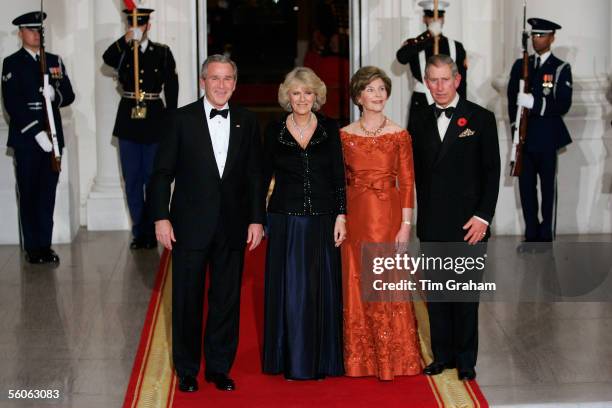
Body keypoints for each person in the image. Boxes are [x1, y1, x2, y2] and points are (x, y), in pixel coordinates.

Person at [147, 55, 265, 393]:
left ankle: (218, 367)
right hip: (188, 225)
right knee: (187, 299)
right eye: (215, 78)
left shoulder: (246, 120)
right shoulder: (181, 119)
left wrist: (257, 219)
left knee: (226, 300)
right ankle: (186, 369)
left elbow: (255, 175)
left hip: (232, 225)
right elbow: (161, 174)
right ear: (202, 81)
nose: (222, 84)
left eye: (228, 78)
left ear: (235, 83)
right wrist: (161, 217)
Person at [409, 54, 500, 380]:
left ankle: (466, 361)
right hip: (433, 223)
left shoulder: (481, 118)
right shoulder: (418, 119)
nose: (439, 86)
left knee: (464, 297)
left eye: (445, 79)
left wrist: (483, 217)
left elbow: (492, 173)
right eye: (432, 80)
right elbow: (409, 173)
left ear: (457, 80)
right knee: (436, 295)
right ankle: (442, 356)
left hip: (469, 224)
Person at [262, 67, 346, 380]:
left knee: (320, 290)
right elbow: (261, 176)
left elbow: (339, 176)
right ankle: (288, 357)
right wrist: (257, 218)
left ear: (316, 96)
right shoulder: (273, 130)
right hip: (285, 220)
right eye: (296, 93)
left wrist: (342, 215)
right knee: (290, 290)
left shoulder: (330, 127)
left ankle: (323, 359)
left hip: (324, 220)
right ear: (287, 96)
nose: (302, 99)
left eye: (307, 93)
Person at [340, 66, 421, 380]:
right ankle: (360, 359)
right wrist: (341, 218)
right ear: (359, 96)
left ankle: (392, 359)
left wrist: (405, 225)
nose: (377, 95)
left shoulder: (399, 134)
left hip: (388, 217)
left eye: (381, 89)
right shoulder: (344, 135)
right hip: (355, 214)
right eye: (370, 89)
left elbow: (408, 181)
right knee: (355, 281)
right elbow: (340, 182)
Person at [1, 11, 75, 264]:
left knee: (47, 194)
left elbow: (69, 94)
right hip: (28, 139)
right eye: (31, 30)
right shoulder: (12, 63)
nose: (36, 35)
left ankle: (45, 244)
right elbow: (13, 103)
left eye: (39, 30)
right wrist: (35, 132)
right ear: (21, 33)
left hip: (52, 137)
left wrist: (56, 94)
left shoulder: (53, 60)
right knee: (30, 193)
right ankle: (33, 247)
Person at [103, 8, 178, 250]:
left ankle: (153, 226)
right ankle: (139, 231)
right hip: (129, 121)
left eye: (142, 24)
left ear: (148, 25)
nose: (139, 27)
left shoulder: (163, 53)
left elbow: (172, 89)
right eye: (134, 24)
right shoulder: (125, 52)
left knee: (153, 178)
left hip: (155, 119)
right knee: (132, 179)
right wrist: (126, 40)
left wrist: (171, 121)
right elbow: (107, 59)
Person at [507, 18, 572, 249]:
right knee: (526, 190)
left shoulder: (560, 68)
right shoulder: (520, 66)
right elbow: (510, 102)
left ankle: (545, 235)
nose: (537, 40)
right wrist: (516, 132)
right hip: (525, 138)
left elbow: (563, 104)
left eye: (542, 36)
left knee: (547, 189)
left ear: (552, 37)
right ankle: (531, 234)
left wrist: (535, 103)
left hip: (547, 138)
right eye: (534, 36)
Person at [396, 0, 467, 129]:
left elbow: (461, 82)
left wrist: (463, 109)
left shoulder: (456, 47)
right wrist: (429, 35)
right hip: (422, 103)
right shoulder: (415, 44)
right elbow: (402, 57)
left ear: (443, 18)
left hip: (450, 102)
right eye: (430, 16)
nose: (435, 20)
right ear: (424, 19)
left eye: (439, 16)